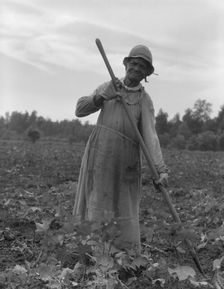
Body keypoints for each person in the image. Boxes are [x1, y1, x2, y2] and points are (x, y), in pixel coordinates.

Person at [73, 44, 168, 253]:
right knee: (97, 200)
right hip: (99, 155)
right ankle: (94, 253)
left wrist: (159, 170)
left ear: (146, 74)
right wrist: (101, 97)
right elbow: (79, 110)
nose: (136, 69)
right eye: (133, 63)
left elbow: (150, 137)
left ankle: (122, 256)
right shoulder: (109, 87)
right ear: (126, 64)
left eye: (142, 67)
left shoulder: (144, 100)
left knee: (123, 205)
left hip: (126, 160)